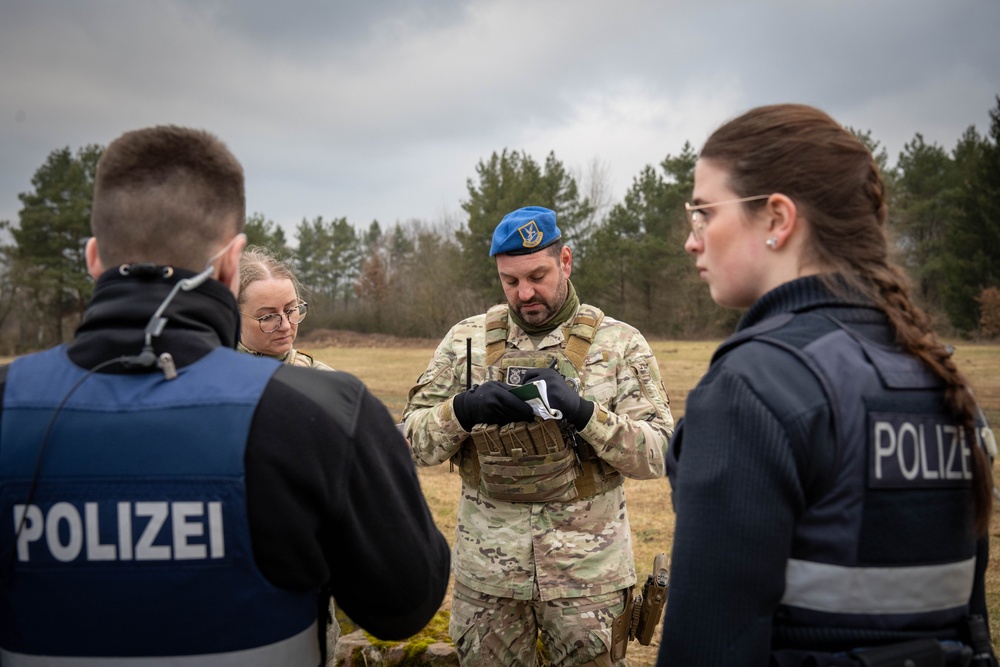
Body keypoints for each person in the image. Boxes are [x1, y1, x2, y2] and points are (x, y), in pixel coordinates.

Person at [0, 125, 450, 665]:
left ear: (94, 259)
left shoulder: (11, 403)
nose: (283, 324)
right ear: (230, 264)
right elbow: (405, 604)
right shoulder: (326, 412)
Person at [657, 104, 997, 666]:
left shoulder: (754, 386)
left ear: (777, 219)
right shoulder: (934, 371)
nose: (693, 241)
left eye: (703, 213)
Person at [402, 205, 674, 667]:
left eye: (537, 275)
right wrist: (462, 411)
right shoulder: (464, 341)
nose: (525, 293)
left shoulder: (619, 344)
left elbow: (661, 453)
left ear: (565, 261)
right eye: (510, 281)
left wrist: (586, 413)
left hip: (587, 578)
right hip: (489, 580)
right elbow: (409, 442)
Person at [238, 245, 333, 370]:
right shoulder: (210, 378)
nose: (286, 326)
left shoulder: (322, 381)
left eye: (291, 310)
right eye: (268, 316)